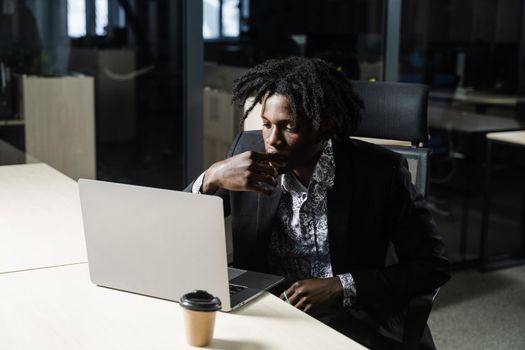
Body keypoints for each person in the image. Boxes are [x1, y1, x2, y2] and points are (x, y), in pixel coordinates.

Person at [186, 56, 450, 350]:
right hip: (264, 312)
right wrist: (211, 177)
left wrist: (341, 286)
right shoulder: (248, 155)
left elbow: (431, 266)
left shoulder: (380, 172)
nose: (273, 140)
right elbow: (175, 223)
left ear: (325, 127)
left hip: (350, 318)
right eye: (266, 124)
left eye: (289, 127)